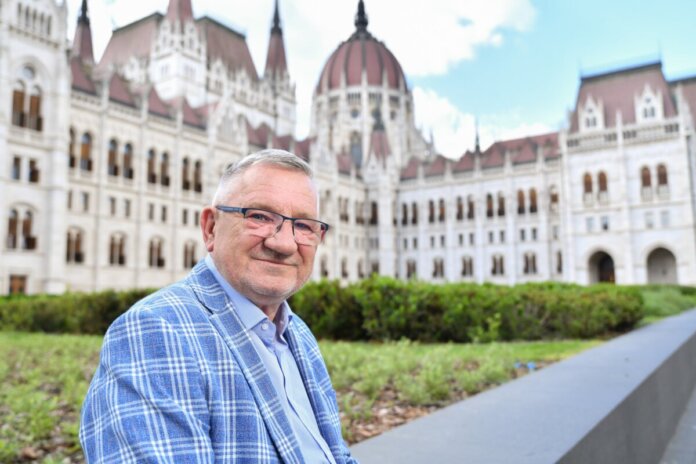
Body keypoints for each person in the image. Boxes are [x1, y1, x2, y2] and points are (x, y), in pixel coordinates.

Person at [80, 149, 357, 463]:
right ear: (211, 228)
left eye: (304, 226)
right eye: (260, 217)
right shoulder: (155, 331)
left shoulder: (297, 333)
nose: (283, 243)